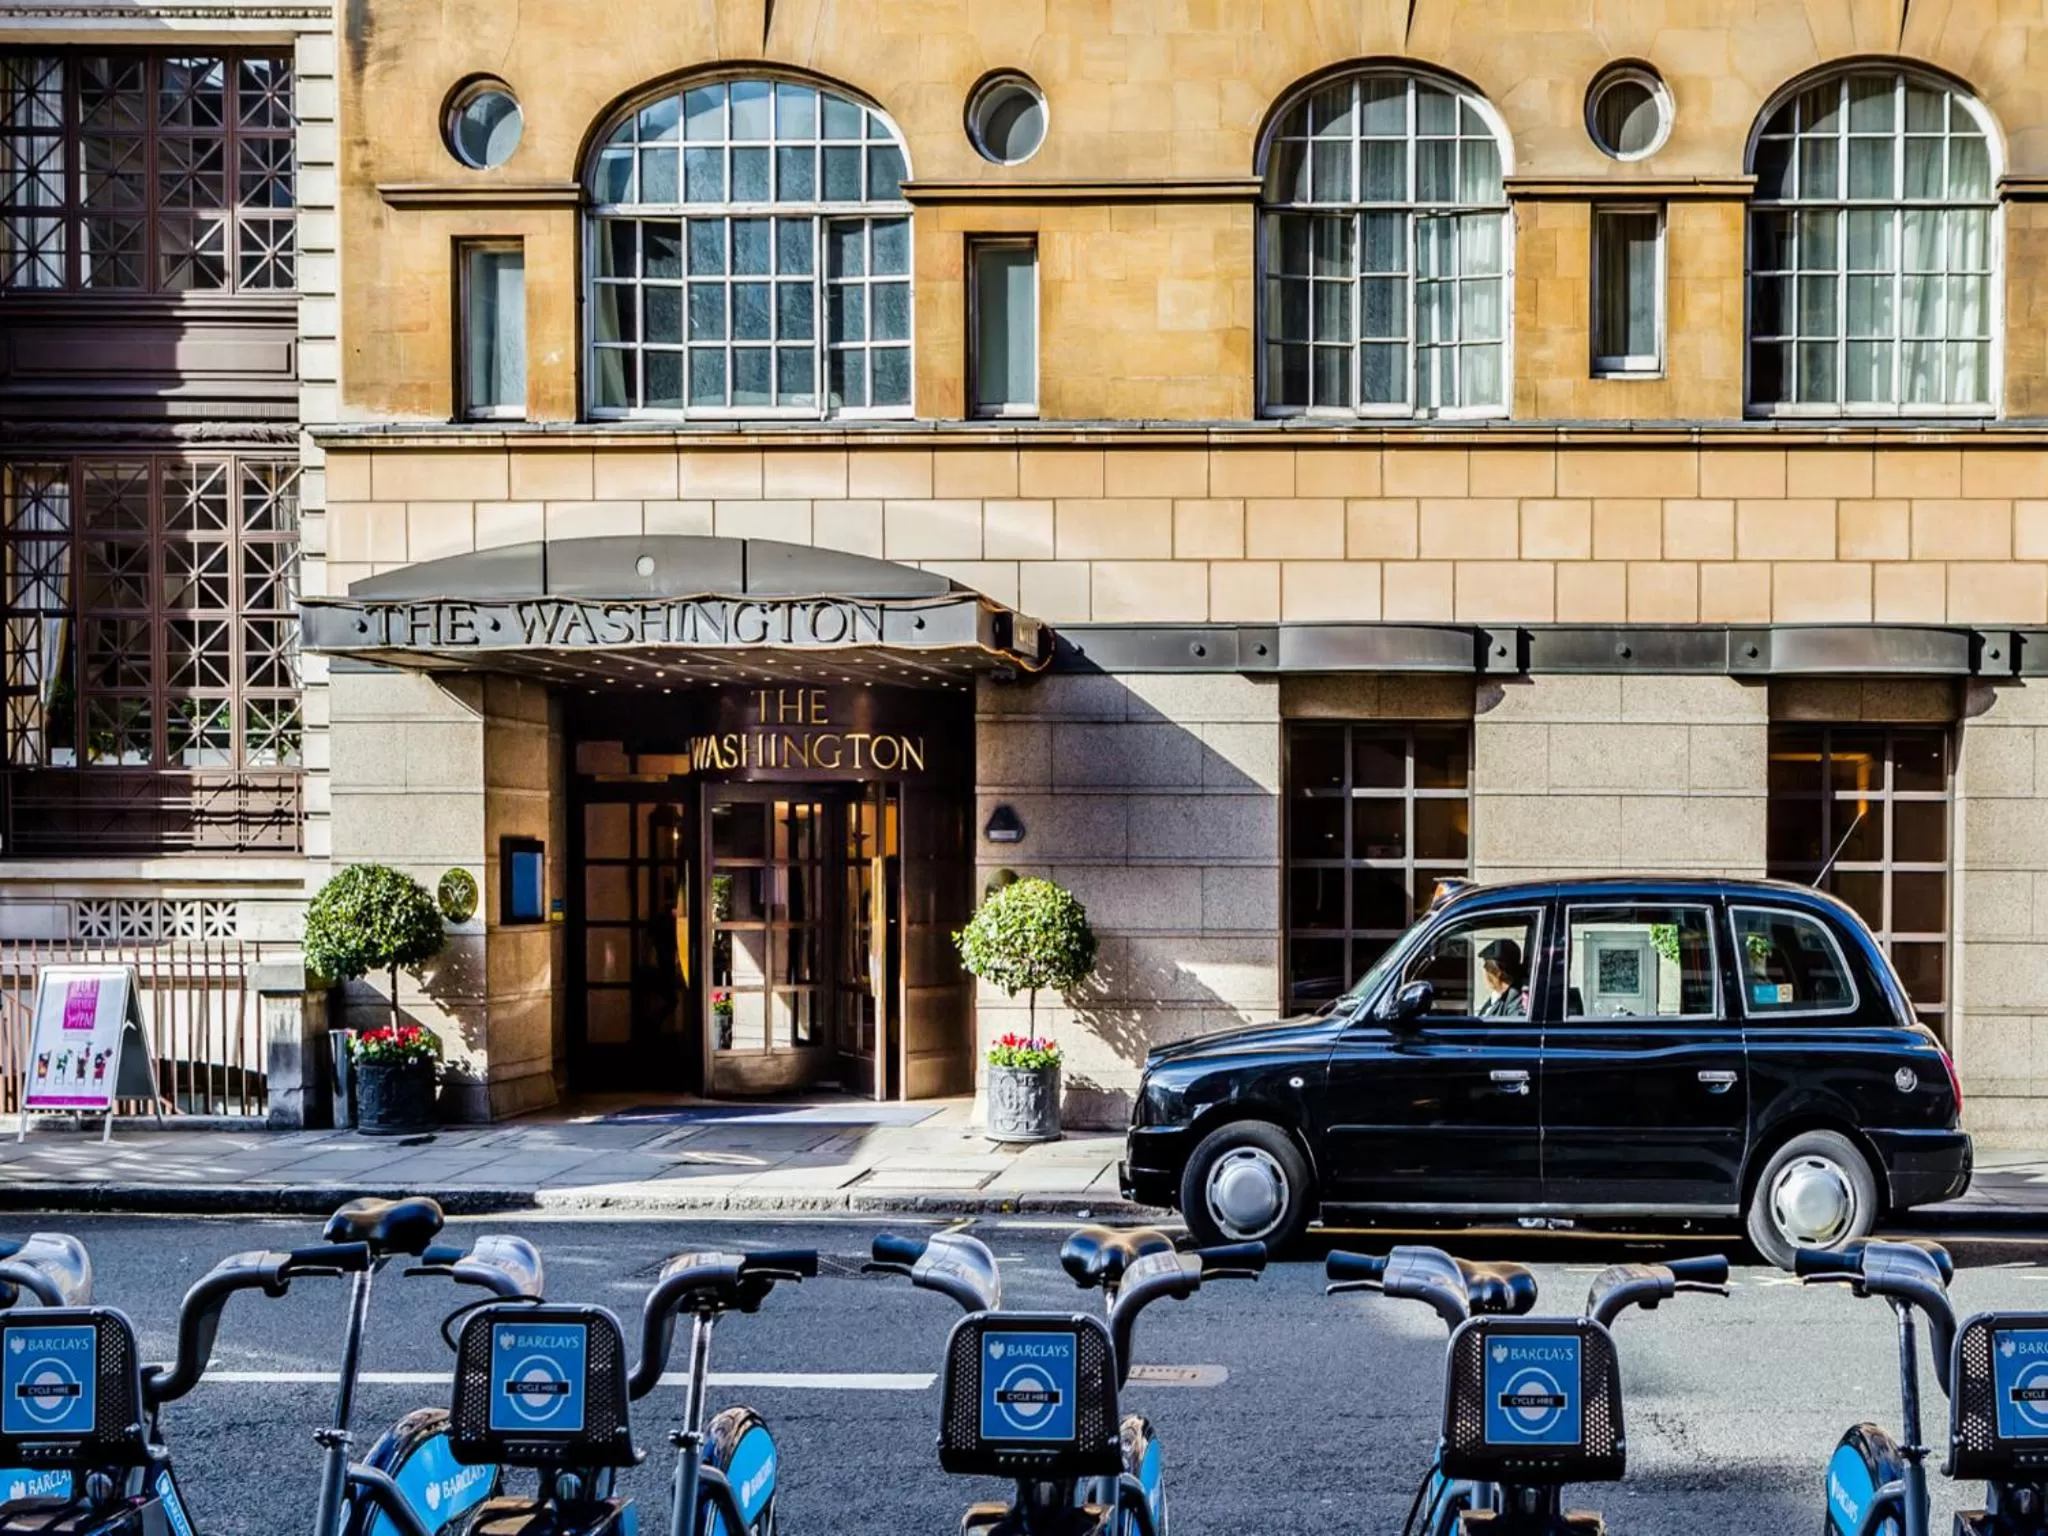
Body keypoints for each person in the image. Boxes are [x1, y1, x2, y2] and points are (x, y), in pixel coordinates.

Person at [1477, 938, 1527, 1018]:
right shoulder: (1498, 995)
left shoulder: (1516, 998)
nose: (1485, 972)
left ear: (1498, 972)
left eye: (1486, 966)